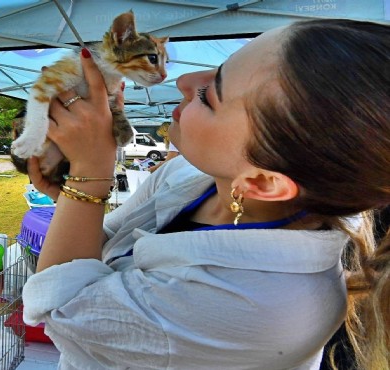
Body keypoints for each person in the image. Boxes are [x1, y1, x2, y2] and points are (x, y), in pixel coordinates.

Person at [22, 19, 389, 370]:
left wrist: (89, 174)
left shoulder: (255, 305)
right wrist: (75, 197)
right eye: (218, 67)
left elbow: (61, 309)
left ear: (262, 182)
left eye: (211, 95)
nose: (182, 80)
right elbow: (103, 244)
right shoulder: (193, 176)